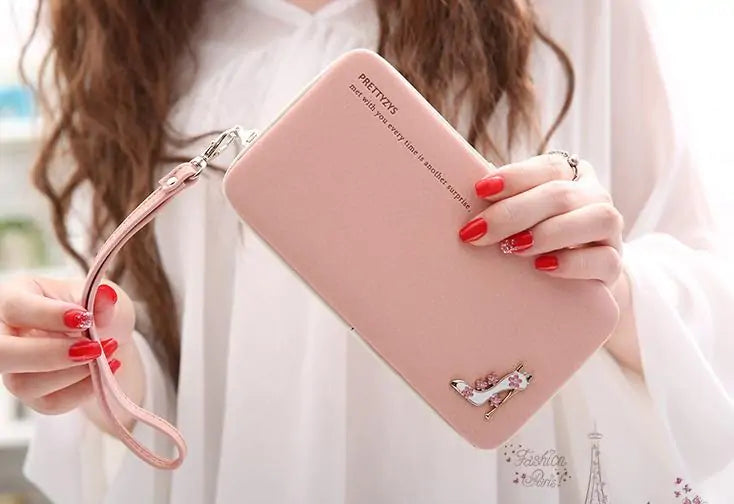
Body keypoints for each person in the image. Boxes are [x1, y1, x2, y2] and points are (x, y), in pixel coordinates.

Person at [1, 0, 732, 502]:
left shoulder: (576, 13)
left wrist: (605, 278)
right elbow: (177, 377)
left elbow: (706, 298)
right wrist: (102, 366)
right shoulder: (124, 32)